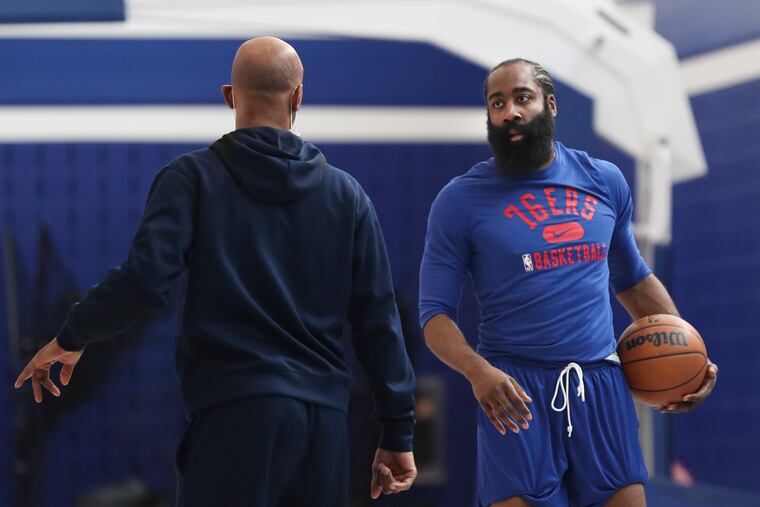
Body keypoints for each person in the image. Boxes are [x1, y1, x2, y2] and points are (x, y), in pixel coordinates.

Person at [15, 36, 417, 506]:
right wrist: (397, 431)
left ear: (229, 96)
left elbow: (145, 280)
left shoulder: (191, 180)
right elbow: (378, 322)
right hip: (323, 425)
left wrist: (72, 336)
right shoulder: (349, 197)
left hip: (234, 414)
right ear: (298, 97)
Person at [418, 58, 717, 507]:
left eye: (522, 97)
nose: (510, 112)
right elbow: (434, 314)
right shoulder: (459, 201)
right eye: (497, 103)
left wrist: (687, 356)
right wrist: (478, 371)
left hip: (599, 382)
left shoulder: (603, 181)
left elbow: (633, 279)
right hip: (513, 391)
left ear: (550, 105)